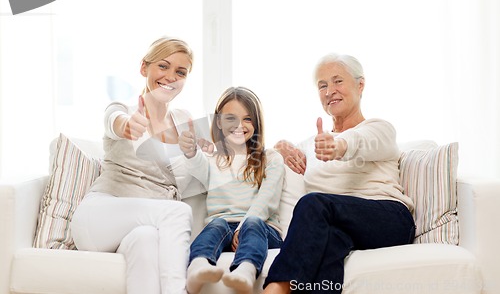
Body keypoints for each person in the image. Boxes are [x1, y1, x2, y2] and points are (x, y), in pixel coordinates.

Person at [262, 53, 416, 293]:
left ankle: (275, 289)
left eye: (337, 81)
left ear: (360, 85)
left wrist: (339, 145)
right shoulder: (310, 144)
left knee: (313, 203)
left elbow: (358, 140)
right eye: (322, 85)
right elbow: (271, 156)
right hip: (341, 226)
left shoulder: (379, 128)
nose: (329, 90)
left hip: (388, 219)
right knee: (328, 243)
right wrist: (280, 147)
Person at [70, 36, 205, 294]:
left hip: (138, 229)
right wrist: (127, 125)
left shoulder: (184, 120)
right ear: (144, 68)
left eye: (180, 71)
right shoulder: (125, 109)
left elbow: (196, 181)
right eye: (163, 66)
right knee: (177, 212)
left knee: (147, 241)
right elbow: (114, 120)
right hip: (98, 218)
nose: (170, 77)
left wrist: (192, 155)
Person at [179, 87, 285, 294]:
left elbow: (267, 200)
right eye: (230, 119)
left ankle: (245, 271)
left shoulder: (271, 158)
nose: (239, 125)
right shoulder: (212, 160)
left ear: (256, 123)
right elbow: (197, 166)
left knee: (253, 223)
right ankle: (198, 266)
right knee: (216, 224)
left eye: (247, 119)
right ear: (218, 122)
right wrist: (190, 150)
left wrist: (243, 227)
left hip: (262, 228)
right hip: (224, 229)